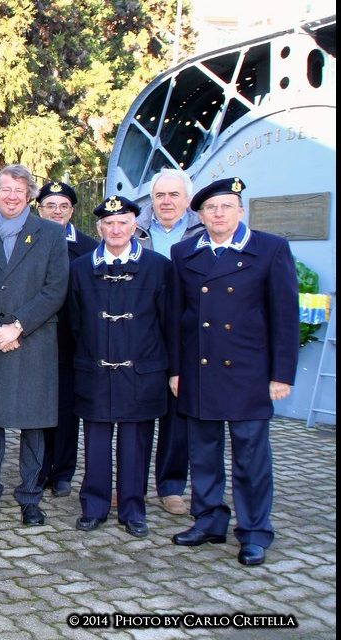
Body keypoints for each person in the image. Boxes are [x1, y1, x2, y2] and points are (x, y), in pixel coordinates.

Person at [168, 177, 299, 567]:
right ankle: (209, 520)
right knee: (203, 455)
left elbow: (285, 316)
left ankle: (254, 532)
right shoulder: (184, 252)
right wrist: (176, 370)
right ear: (200, 215)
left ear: (241, 211)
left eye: (226, 206)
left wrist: (282, 374)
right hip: (200, 370)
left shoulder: (270, 249)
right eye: (211, 208)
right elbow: (177, 318)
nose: (219, 213)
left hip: (248, 373)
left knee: (251, 459)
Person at [0, 165, 69, 525]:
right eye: (5, 189)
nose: (11, 196)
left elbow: (55, 289)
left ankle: (30, 498)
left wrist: (17, 327)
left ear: (30, 195)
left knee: (33, 424)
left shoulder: (51, 234)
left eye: (19, 190)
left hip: (32, 341)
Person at [69, 195, 172, 538]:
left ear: (134, 226)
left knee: (135, 445)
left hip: (141, 372)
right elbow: (74, 322)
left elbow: (167, 321)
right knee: (96, 444)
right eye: (109, 223)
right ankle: (94, 507)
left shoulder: (158, 266)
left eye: (123, 223)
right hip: (95, 370)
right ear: (99, 228)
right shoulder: (80, 268)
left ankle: (133, 509)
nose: (116, 229)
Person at [135, 168, 207, 516]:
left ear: (187, 199)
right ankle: (131, 483)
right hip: (141, 333)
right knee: (137, 413)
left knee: (177, 417)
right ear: (152, 198)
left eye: (174, 195)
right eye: (160, 195)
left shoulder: (203, 232)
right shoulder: (134, 229)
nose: (166, 201)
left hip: (185, 333)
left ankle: (171, 486)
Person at [34, 181, 99, 498]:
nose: (56, 211)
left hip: (70, 340)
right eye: (50, 205)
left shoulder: (88, 247)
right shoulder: (27, 241)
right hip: (34, 337)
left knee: (65, 410)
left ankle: (62, 472)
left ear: (72, 211)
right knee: (35, 409)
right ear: (39, 210)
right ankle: (37, 468)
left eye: (63, 206)